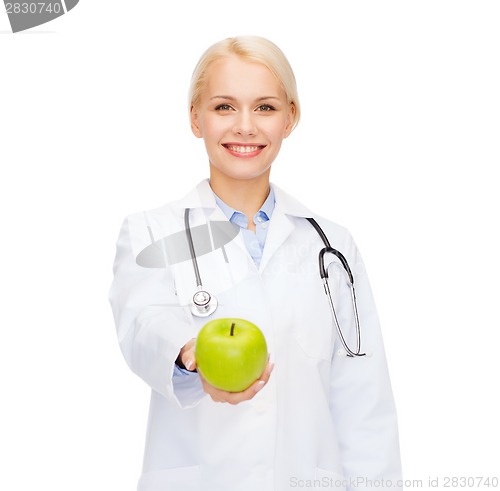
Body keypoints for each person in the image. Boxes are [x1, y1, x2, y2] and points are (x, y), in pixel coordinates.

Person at [109, 35, 402, 491]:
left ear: (291, 117)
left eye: (265, 108)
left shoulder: (333, 246)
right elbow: (144, 324)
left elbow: (363, 401)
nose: (245, 126)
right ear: (195, 118)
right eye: (224, 107)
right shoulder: (151, 231)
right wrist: (190, 355)